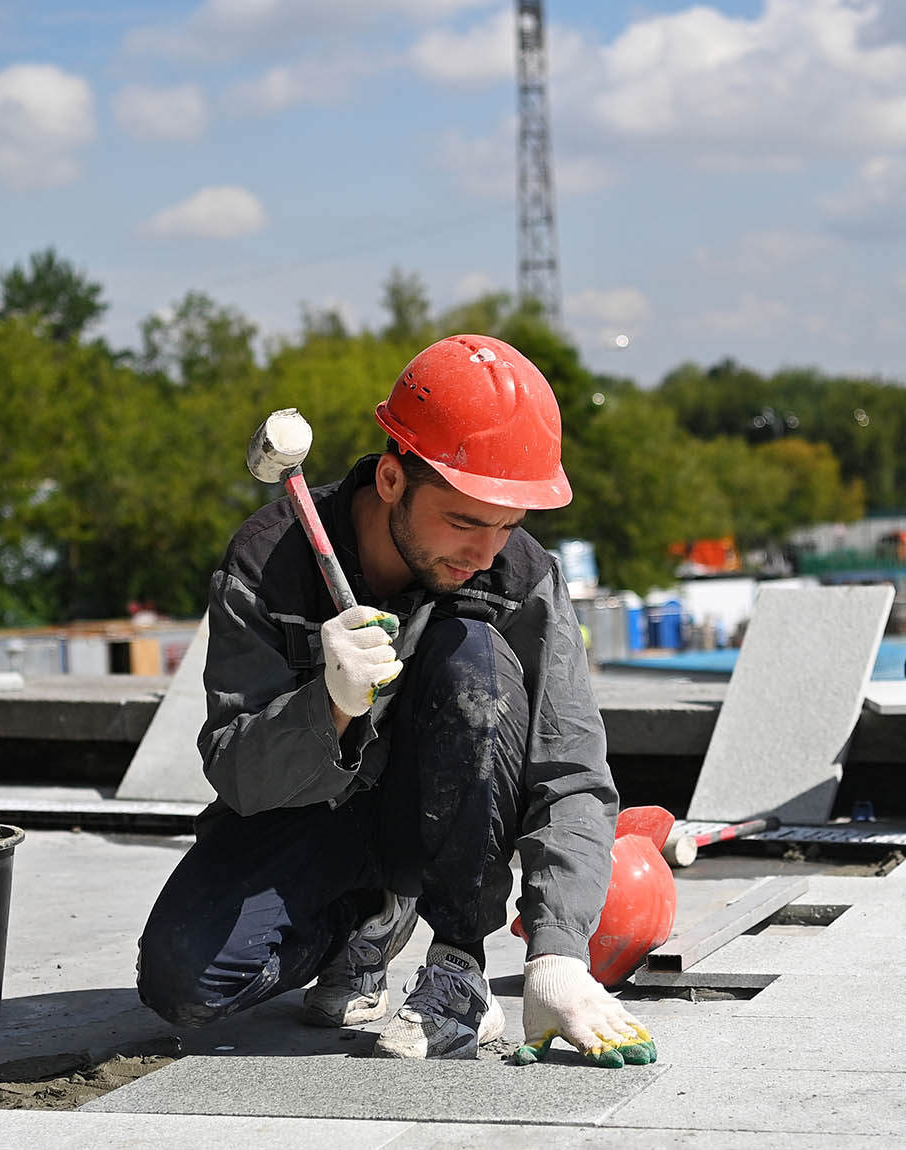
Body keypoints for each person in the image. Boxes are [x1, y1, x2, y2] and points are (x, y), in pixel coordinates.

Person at [138, 334, 656, 1067]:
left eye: (507, 525)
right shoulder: (268, 563)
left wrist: (558, 954)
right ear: (389, 478)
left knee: (472, 657)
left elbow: (570, 772)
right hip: (308, 818)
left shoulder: (522, 578)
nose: (485, 551)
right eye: (463, 521)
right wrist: (328, 708)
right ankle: (368, 922)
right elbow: (235, 771)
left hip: (445, 821)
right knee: (183, 984)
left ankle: (456, 968)